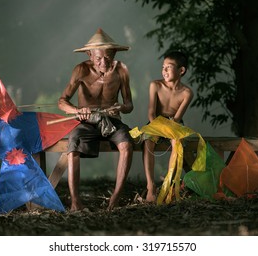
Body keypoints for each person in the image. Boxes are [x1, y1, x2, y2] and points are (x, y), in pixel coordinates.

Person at [58, 28, 134, 211]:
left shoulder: (121, 70)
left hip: (112, 120)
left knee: (127, 145)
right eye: (98, 58)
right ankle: (75, 201)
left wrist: (121, 107)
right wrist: (77, 111)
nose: (103, 62)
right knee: (73, 144)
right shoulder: (81, 70)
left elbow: (129, 104)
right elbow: (62, 102)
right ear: (89, 55)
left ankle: (115, 197)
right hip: (87, 121)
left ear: (114, 53)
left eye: (107, 58)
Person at [142, 51, 194, 202]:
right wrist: (158, 127)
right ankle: (150, 187)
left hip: (174, 123)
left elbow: (177, 118)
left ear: (181, 70)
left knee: (178, 143)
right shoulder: (155, 85)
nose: (163, 71)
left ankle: (169, 186)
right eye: (163, 67)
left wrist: (169, 128)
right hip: (156, 122)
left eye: (168, 67)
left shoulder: (187, 93)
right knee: (147, 141)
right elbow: (151, 113)